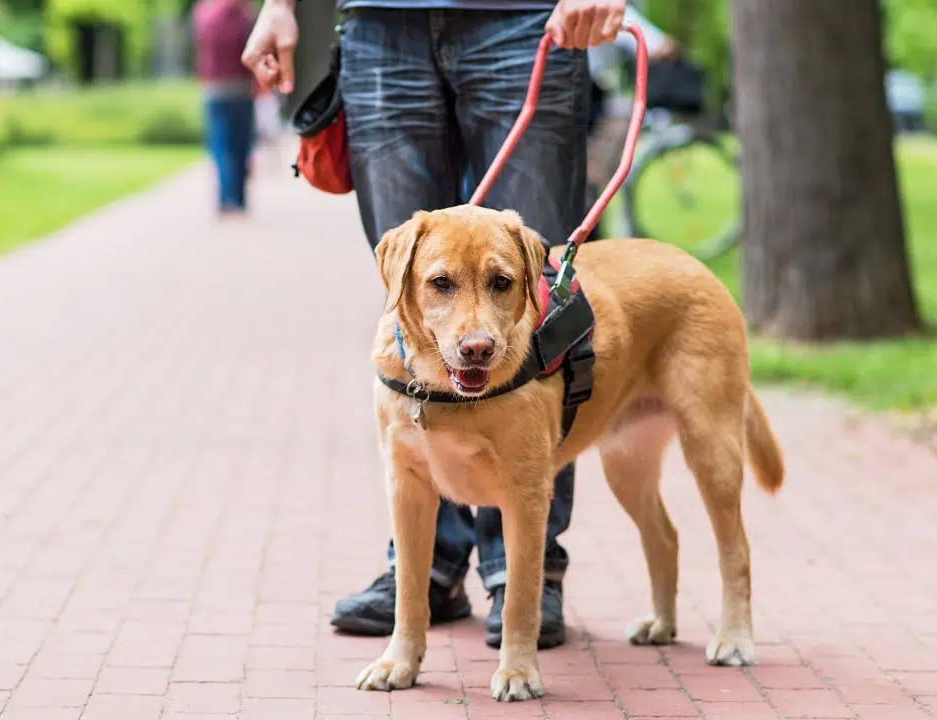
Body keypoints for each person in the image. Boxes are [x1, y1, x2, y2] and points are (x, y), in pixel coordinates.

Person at [242, 0, 667, 650]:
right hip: (382, 28)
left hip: (527, 19)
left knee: (530, 304)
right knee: (425, 293)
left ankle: (523, 573)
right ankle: (429, 568)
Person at [192, 0, 257, 217]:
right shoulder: (245, 14)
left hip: (214, 89)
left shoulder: (203, 13)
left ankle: (225, 199)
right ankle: (238, 198)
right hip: (241, 88)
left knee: (220, 147)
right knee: (241, 147)